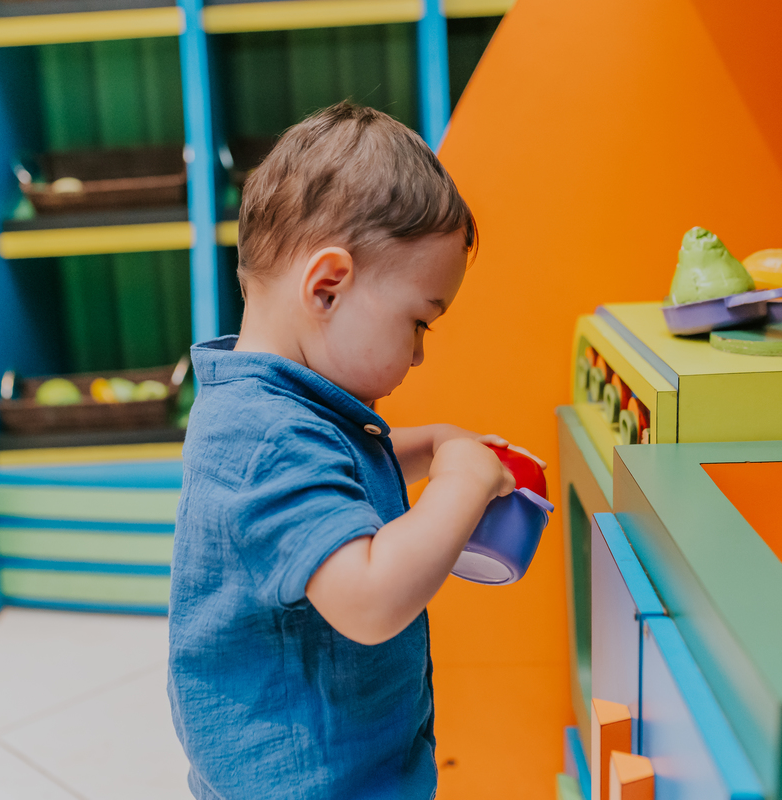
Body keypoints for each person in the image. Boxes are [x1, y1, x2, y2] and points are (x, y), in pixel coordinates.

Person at [168, 102, 539, 799]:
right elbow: (368, 601)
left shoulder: (273, 408)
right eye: (419, 323)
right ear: (328, 286)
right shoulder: (267, 434)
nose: (421, 354)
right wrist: (459, 483)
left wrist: (434, 446)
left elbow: (337, 473)